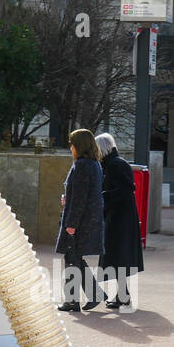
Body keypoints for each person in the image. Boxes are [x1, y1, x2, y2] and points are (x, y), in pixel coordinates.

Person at [56, 128, 105, 312]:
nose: (70, 147)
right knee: (74, 259)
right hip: (88, 220)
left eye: (72, 144)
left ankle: (73, 300)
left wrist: (71, 224)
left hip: (79, 222)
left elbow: (79, 198)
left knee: (71, 259)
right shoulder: (94, 164)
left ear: (79, 145)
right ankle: (90, 295)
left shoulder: (82, 165)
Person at [95, 132, 144, 310]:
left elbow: (126, 188)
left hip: (120, 219)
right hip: (119, 217)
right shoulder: (113, 164)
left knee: (117, 257)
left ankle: (123, 295)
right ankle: (123, 295)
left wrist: (102, 197)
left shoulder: (114, 165)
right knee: (118, 258)